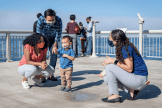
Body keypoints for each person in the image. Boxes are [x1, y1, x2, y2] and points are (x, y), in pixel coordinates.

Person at [98, 29, 150, 103]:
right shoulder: (123, 46)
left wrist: (113, 61)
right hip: (135, 78)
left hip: (139, 79)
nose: (109, 39)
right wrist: (106, 71)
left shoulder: (125, 48)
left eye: (110, 38)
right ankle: (132, 90)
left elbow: (129, 68)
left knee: (110, 67)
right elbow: (122, 65)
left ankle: (115, 96)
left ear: (116, 39)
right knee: (107, 78)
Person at [36, 9, 62, 82]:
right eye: (49, 21)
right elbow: (38, 33)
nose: (51, 22)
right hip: (43, 38)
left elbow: (58, 32)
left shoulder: (58, 20)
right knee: (41, 55)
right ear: (45, 18)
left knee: (54, 55)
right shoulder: (40, 20)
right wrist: (41, 43)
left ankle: (51, 74)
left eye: (52, 20)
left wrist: (55, 44)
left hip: (53, 39)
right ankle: (42, 74)